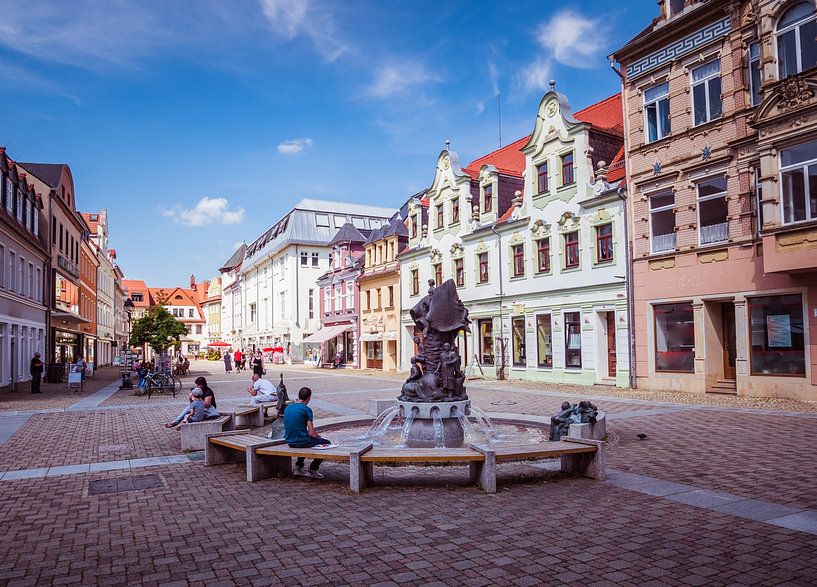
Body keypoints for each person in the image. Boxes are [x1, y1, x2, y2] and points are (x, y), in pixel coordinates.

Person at [284, 386, 331, 479]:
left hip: (289, 441)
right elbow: (311, 433)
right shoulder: (306, 409)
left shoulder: (288, 407)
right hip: (302, 442)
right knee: (326, 443)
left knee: (305, 438)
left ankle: (299, 467)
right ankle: (313, 469)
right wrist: (317, 437)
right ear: (309, 398)